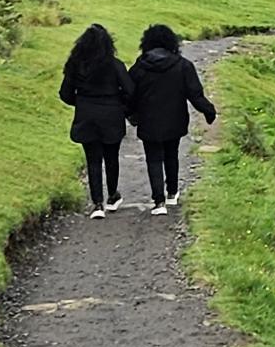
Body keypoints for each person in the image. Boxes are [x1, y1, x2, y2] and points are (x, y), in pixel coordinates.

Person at [126, 23, 217, 216]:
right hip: (174, 119)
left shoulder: (139, 67)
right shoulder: (183, 65)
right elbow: (195, 94)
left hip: (148, 120)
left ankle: (158, 201)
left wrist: (130, 115)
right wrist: (208, 111)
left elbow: (129, 95)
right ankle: (172, 193)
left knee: (153, 158)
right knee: (171, 154)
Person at [59, 23, 132, 218]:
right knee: (111, 156)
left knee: (93, 160)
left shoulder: (75, 65)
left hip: (86, 115)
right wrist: (121, 106)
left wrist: (81, 102)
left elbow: (65, 94)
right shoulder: (115, 65)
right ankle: (113, 195)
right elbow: (130, 91)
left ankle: (97, 203)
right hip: (111, 115)